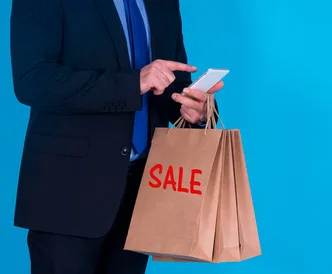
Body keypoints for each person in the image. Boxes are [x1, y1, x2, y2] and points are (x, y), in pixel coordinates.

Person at [9, 0, 223, 273]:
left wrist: (200, 109)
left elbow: (171, 83)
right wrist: (132, 83)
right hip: (68, 193)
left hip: (143, 191)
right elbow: (33, 81)